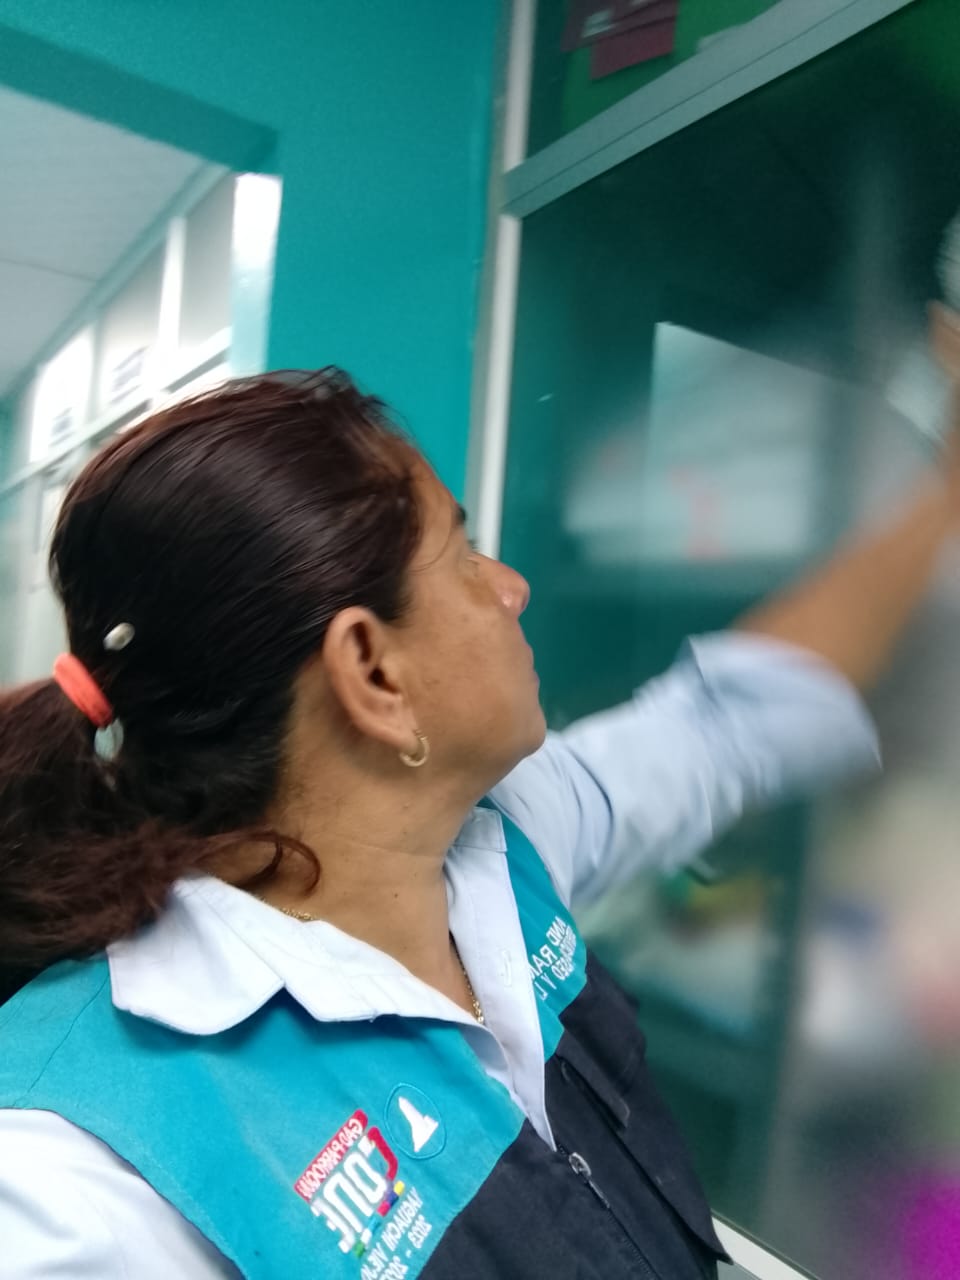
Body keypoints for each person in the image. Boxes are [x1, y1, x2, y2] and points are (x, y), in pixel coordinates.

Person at [0, 356, 956, 1280]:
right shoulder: (77, 1180)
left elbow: (726, 721)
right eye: (461, 555)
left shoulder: (497, 845)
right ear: (373, 672)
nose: (510, 586)